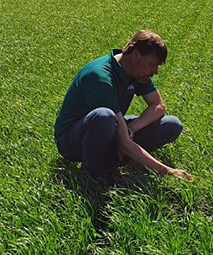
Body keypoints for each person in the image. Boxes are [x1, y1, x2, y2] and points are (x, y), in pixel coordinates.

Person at [54, 30, 191, 182]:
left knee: (172, 125)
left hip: (110, 126)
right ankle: (94, 170)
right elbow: (123, 139)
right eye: (152, 65)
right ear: (137, 54)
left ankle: (111, 160)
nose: (155, 72)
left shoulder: (137, 72)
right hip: (72, 140)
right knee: (104, 116)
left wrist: (131, 128)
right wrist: (167, 171)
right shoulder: (100, 76)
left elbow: (158, 105)